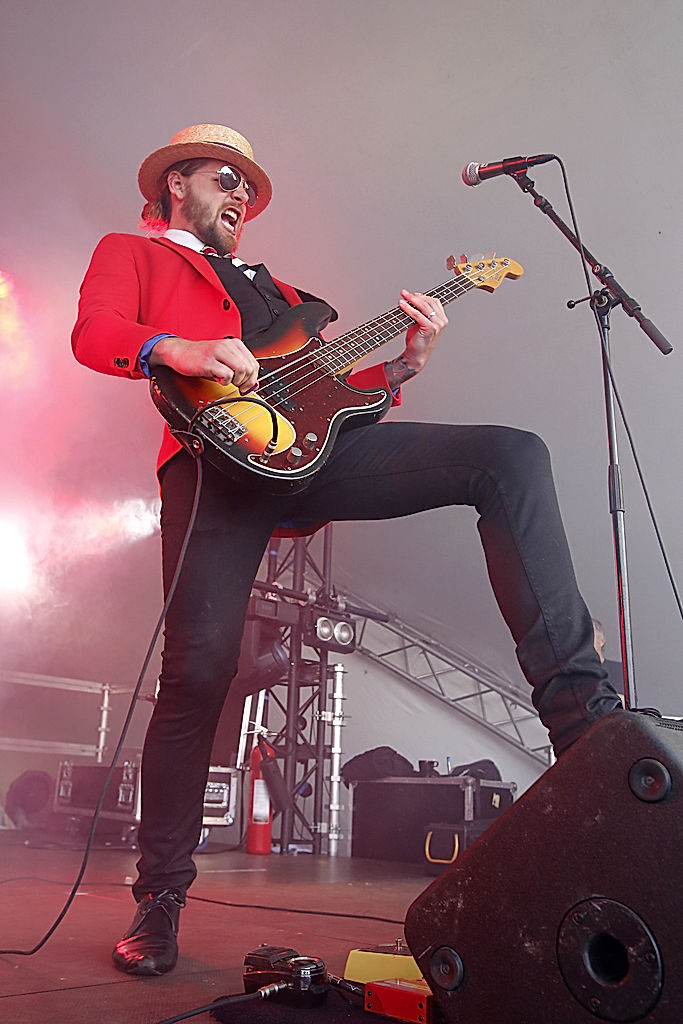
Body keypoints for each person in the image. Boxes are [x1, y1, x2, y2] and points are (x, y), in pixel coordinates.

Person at [72, 123, 624, 976]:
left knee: (510, 454)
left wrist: (403, 366)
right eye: (225, 179)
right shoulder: (133, 252)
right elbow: (94, 329)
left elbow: (332, 396)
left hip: (306, 458)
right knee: (197, 673)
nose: (240, 198)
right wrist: (172, 346)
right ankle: (160, 900)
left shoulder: (289, 295)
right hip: (211, 465)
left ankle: (580, 719)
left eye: (249, 189)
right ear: (176, 184)